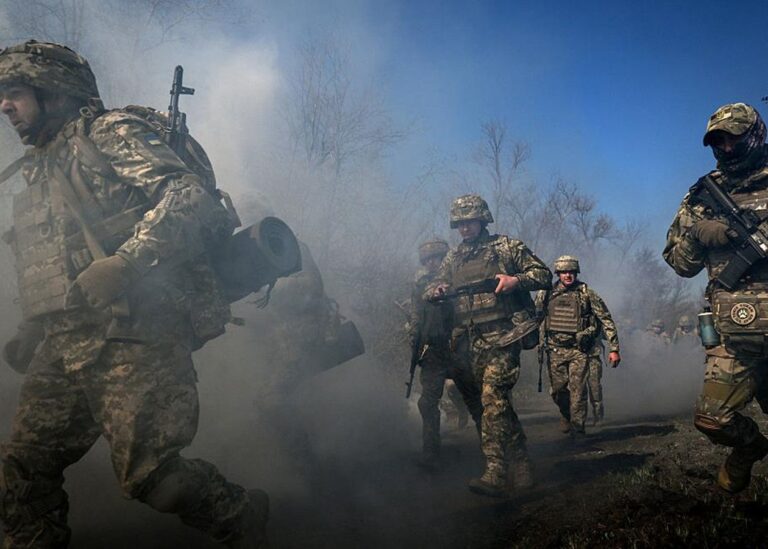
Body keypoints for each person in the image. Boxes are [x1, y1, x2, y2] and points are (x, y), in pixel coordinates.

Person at [0, 41, 267, 547]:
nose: (4, 106)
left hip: (136, 330)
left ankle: (240, 514)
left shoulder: (108, 134)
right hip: (66, 340)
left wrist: (126, 264)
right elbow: (56, 257)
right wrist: (31, 326)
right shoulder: (39, 167)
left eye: (14, 92)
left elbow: (190, 200)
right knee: (22, 466)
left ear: (51, 91)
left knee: (152, 478)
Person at [663, 102, 768, 494]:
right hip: (734, 334)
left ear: (753, 135)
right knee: (712, 418)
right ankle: (750, 449)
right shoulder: (703, 195)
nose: (725, 148)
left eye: (733, 139)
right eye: (717, 142)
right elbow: (679, 264)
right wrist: (698, 235)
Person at [427, 195, 551, 498]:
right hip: (470, 341)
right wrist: (436, 290)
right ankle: (522, 464)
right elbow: (435, 284)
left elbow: (543, 275)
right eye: (459, 223)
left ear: (482, 219)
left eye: (469, 221)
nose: (464, 228)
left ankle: (496, 470)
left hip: (505, 335)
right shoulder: (454, 257)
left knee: (493, 397)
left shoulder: (507, 247)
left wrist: (514, 281)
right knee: (494, 406)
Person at [409, 238, 482, 469]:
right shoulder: (420, 285)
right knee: (427, 403)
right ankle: (431, 454)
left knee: (475, 400)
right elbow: (416, 316)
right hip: (432, 352)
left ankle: (493, 450)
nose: (432, 263)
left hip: (460, 348)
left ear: (444, 258)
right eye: (428, 259)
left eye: (437, 258)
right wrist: (415, 340)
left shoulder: (457, 279)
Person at [540, 256, 621, 435]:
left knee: (578, 392)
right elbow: (535, 317)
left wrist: (614, 348)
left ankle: (578, 429)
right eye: (564, 272)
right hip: (555, 349)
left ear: (576, 273)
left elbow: (606, 319)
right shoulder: (546, 293)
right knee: (557, 391)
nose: (568, 275)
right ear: (558, 274)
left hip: (579, 350)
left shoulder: (586, 293)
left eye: (571, 272)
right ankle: (566, 414)